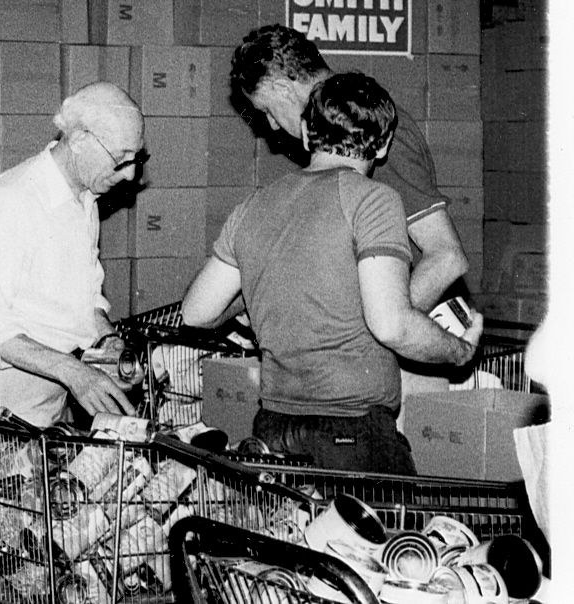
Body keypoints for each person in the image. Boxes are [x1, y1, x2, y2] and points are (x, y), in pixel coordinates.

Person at [181, 72, 482, 474]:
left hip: (272, 429)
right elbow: (391, 325)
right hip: (352, 437)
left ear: (306, 133)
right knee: (399, 536)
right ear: (384, 143)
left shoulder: (253, 206)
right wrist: (458, 350)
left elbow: (197, 313)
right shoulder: (374, 200)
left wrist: (265, 292)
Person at [230, 24, 468, 311]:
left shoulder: (364, 134)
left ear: (283, 88)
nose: (272, 125)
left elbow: (446, 256)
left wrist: (376, 334)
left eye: (268, 110)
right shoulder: (336, 131)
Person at [0, 82, 146, 427]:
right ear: (78, 140)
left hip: (56, 391)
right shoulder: (13, 199)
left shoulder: (85, 201)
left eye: (137, 159)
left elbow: (86, 298)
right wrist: (75, 373)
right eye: (121, 160)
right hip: (5, 402)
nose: (132, 174)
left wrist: (108, 344)